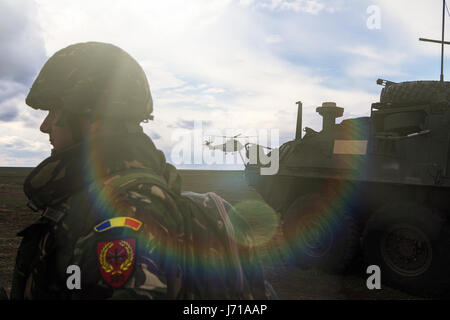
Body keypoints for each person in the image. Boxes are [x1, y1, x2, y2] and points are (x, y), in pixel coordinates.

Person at [10, 42, 272, 300]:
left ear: (90, 120)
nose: (45, 126)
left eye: (55, 112)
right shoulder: (102, 196)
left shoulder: (124, 209)